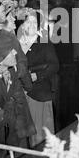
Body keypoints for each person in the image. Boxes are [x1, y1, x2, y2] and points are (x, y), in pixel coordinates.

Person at [17, 11, 59, 147]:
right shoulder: (15, 43)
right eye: (27, 22)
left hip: (38, 93)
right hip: (19, 93)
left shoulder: (44, 43)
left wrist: (37, 76)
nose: (31, 25)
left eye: (35, 22)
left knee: (41, 134)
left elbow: (54, 66)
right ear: (22, 25)